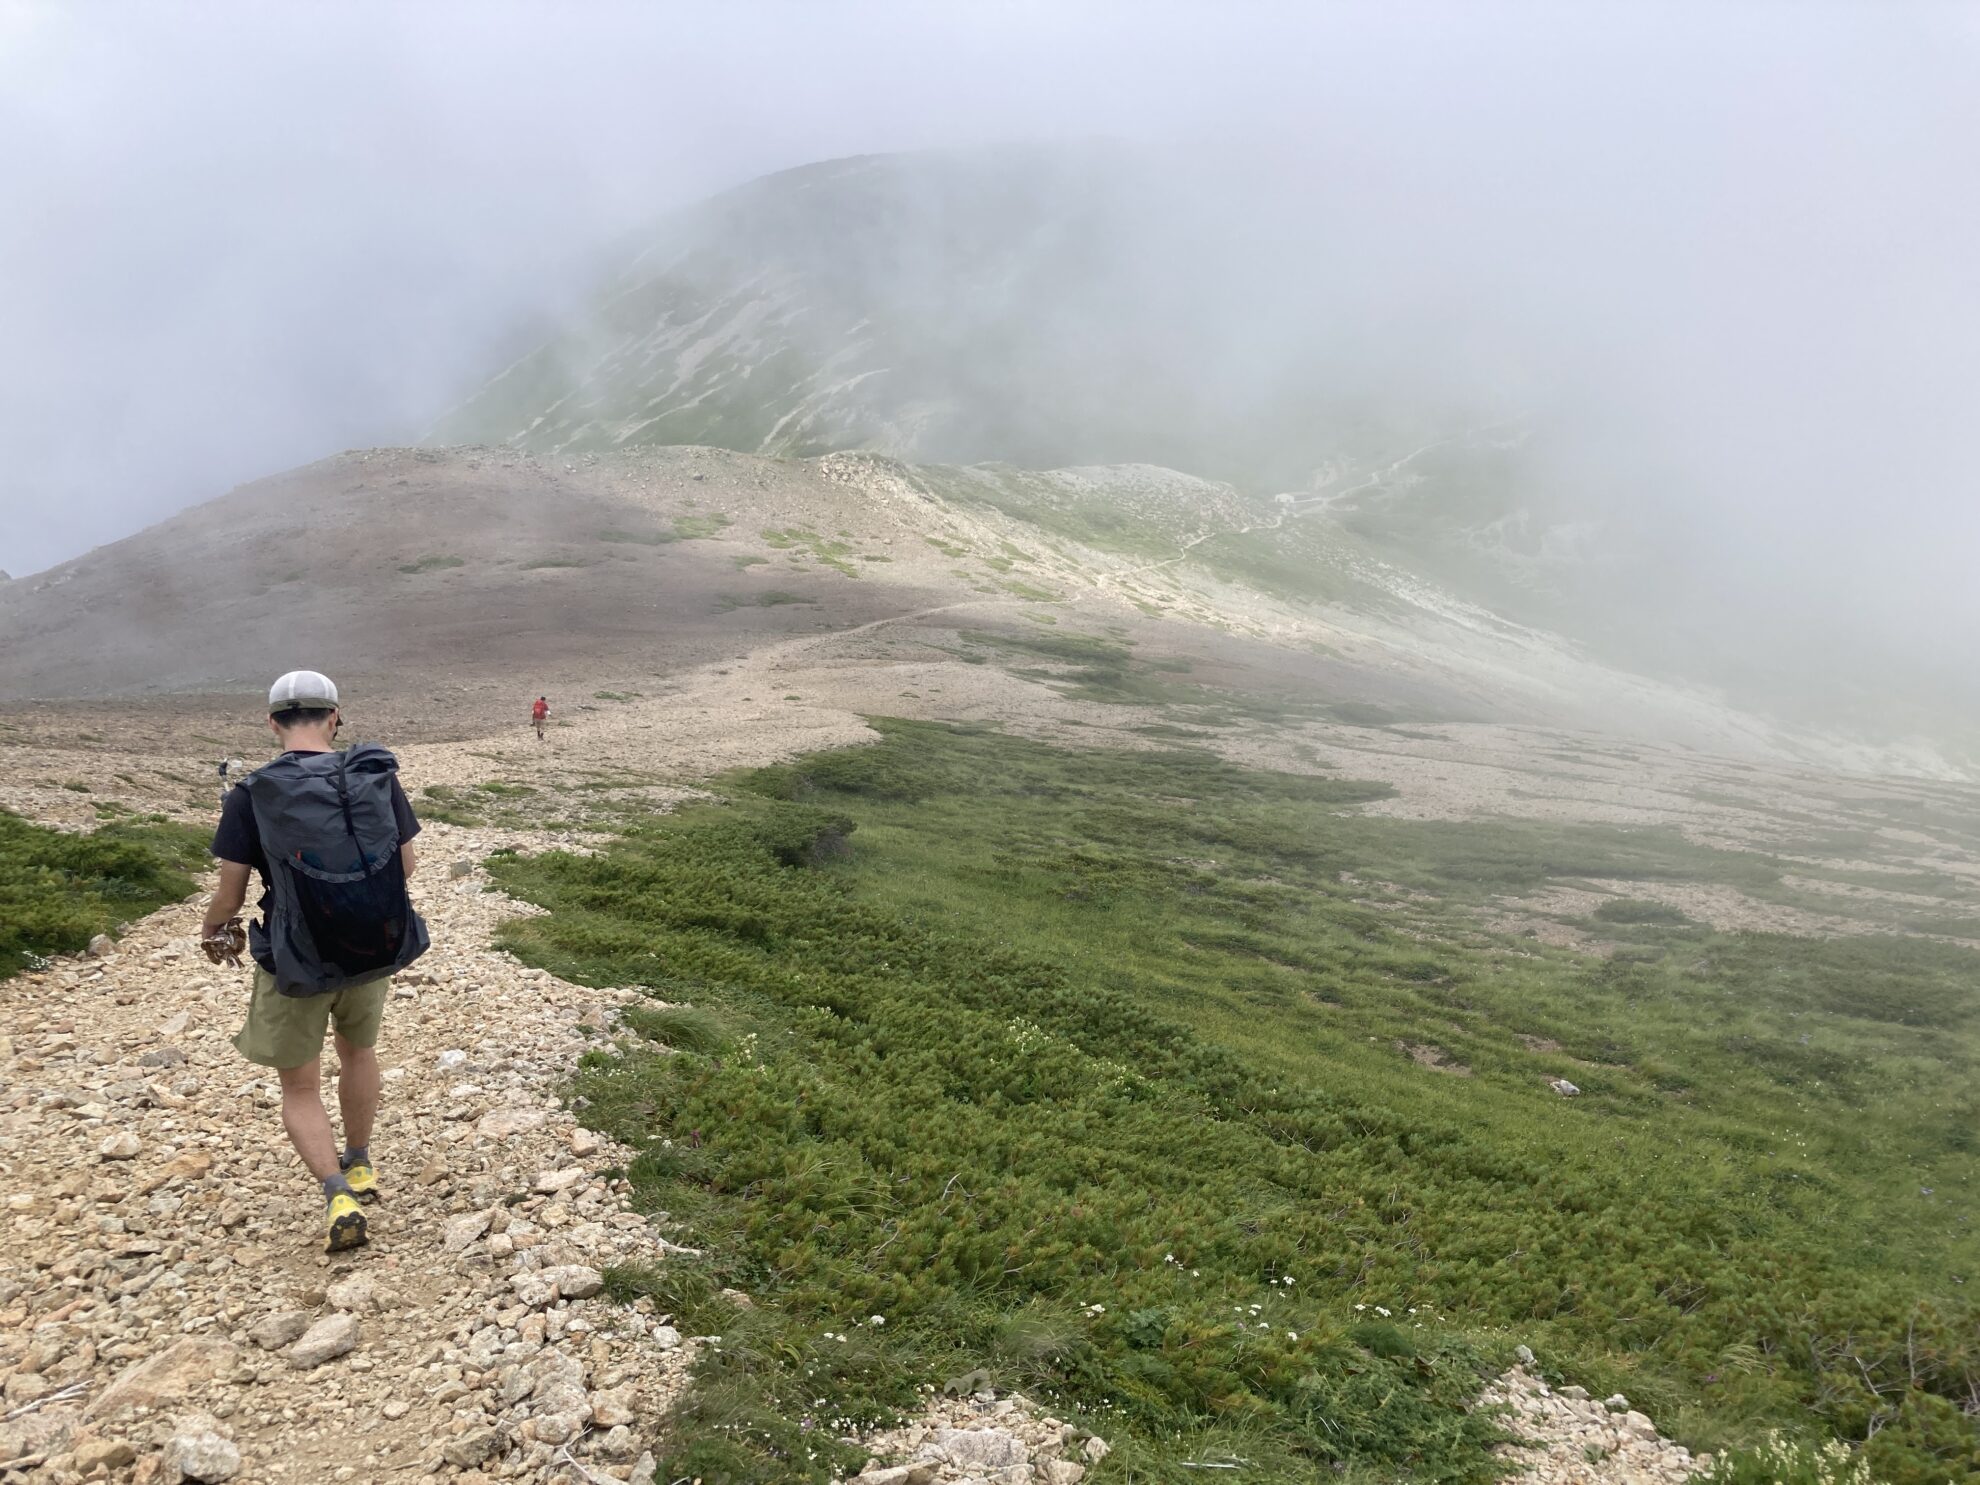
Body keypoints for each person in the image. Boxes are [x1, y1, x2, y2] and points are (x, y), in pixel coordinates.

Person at [198, 670, 429, 1253]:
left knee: (300, 1086)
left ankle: (336, 1194)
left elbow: (230, 892)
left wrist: (213, 928)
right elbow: (406, 869)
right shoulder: (376, 778)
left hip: (296, 960)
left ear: (273, 722)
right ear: (335, 718)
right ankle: (360, 1162)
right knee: (360, 1052)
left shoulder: (252, 793)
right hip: (372, 948)